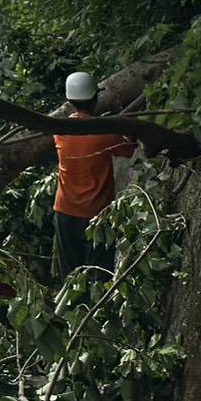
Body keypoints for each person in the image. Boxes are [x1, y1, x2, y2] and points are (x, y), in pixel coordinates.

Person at [53, 71, 135, 276]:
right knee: (100, 274)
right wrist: (124, 126)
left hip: (65, 210)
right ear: (95, 99)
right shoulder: (105, 134)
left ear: (69, 101)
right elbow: (128, 149)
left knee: (71, 276)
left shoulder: (59, 131)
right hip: (97, 214)